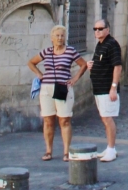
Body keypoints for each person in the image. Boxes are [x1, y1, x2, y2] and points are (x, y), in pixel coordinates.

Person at [28, 26, 87, 160]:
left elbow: (83, 65)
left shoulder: (70, 51)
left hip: (63, 88)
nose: (60, 38)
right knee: (48, 120)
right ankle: (48, 150)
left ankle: (66, 152)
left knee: (64, 119)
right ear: (52, 38)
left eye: (62, 35)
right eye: (57, 36)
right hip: (47, 89)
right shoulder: (47, 52)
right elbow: (31, 62)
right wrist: (39, 74)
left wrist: (75, 79)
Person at [87, 17, 123, 162]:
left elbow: (117, 66)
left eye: (100, 29)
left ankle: (112, 149)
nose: (97, 31)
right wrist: (92, 66)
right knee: (104, 117)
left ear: (107, 30)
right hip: (98, 87)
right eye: (95, 29)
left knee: (108, 118)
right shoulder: (100, 45)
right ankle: (109, 147)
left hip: (107, 88)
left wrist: (113, 87)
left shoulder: (112, 44)